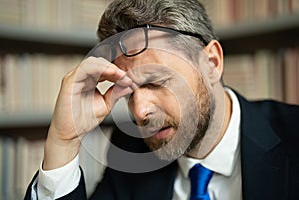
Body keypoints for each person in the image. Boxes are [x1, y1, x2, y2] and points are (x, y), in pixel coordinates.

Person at [24, 0, 299, 199]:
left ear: (212, 63)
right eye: (127, 91)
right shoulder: (132, 153)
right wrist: (63, 141)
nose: (139, 112)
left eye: (156, 81)